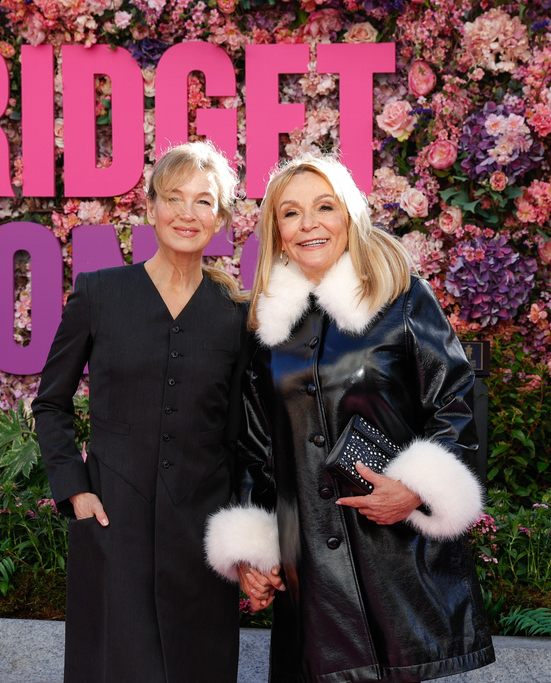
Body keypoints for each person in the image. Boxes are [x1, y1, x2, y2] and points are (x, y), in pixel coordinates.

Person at [204, 154, 495, 682]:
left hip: (395, 562)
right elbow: (254, 449)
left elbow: (455, 401)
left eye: (324, 207)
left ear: (350, 214)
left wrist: (416, 489)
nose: (308, 223)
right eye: (291, 213)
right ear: (277, 231)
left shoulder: (401, 296)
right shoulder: (267, 328)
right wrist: (252, 550)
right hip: (308, 577)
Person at [33, 141, 247, 682]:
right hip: (112, 526)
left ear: (220, 218)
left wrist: (244, 531)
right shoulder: (99, 294)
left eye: (203, 201)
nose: (186, 213)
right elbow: (52, 402)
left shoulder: (236, 315)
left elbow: (245, 434)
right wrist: (74, 490)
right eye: (174, 198)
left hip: (204, 535)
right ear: (151, 207)